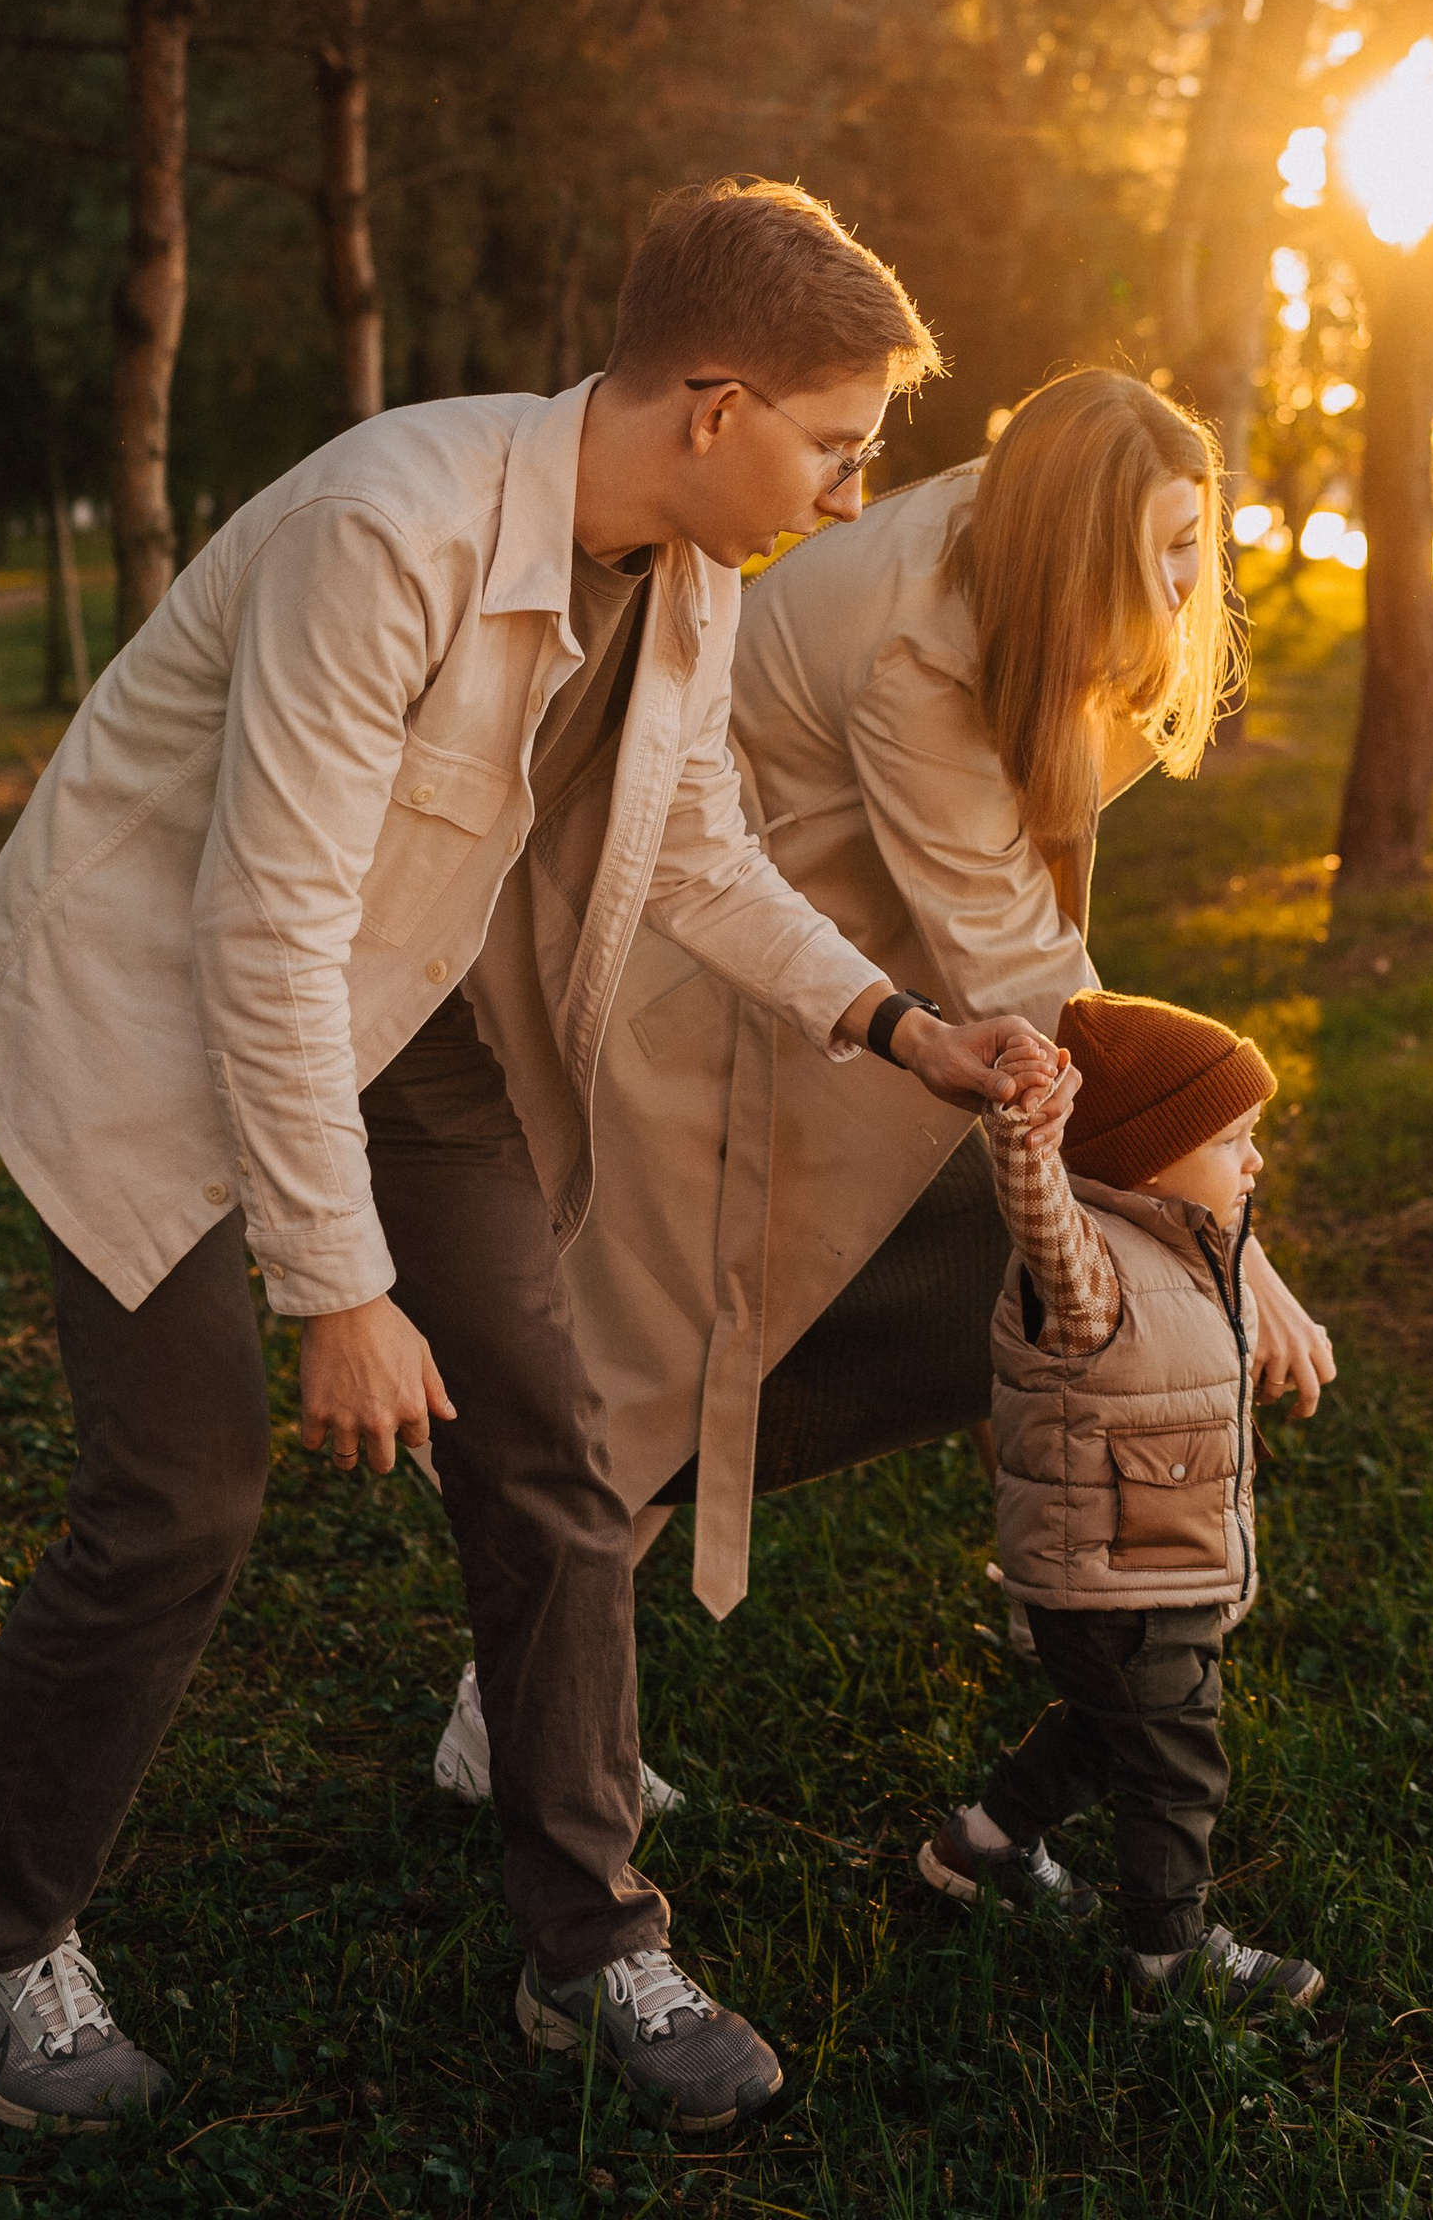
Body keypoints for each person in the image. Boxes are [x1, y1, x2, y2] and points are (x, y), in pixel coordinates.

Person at [0, 180, 1062, 2140]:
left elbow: (690, 857)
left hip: (392, 1005)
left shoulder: (682, 576)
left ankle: (591, 1946)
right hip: (143, 1013)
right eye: (834, 447)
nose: (853, 495)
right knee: (181, 1493)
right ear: (711, 404)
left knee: (558, 1435)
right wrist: (336, 1287)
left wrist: (895, 1024)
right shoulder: (386, 530)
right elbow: (257, 928)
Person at [439, 368, 1334, 1726]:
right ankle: (510, 1723)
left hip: (870, 976)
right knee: (657, 1368)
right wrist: (1229, 1241)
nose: (1182, 585)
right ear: (1069, 545)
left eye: (1192, 542)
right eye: (1155, 553)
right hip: (716, 988)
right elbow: (1020, 960)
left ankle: (1079, 1603)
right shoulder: (924, 641)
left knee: (1036, 1259)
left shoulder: (1024, 545)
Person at [919, 987, 1325, 2015]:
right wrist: (1024, 1137)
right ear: (1147, 1159)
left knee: (1108, 1733)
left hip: (1151, 1567)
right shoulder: (1089, 1271)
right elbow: (1038, 1206)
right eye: (1234, 1138)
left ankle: (980, 1848)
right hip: (1114, 1584)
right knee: (1178, 1769)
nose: (1255, 1159)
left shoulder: (1191, 1250)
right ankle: (1169, 1962)